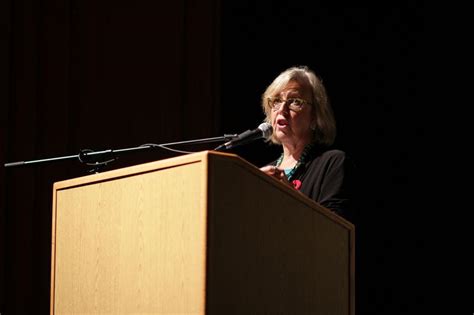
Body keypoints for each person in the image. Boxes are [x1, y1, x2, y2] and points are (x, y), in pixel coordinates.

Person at [259, 65, 356, 222]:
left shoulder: (332, 163)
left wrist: (288, 194)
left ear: (315, 117)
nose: (282, 109)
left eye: (295, 102)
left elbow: (334, 230)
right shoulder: (264, 173)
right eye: (276, 101)